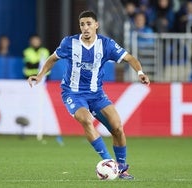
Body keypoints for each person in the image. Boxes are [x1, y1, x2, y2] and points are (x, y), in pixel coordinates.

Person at [28, 10, 150, 180]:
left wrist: (140, 73)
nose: (85, 28)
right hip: (73, 93)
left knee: (117, 128)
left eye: (89, 24)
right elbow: (52, 59)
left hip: (97, 94)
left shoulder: (106, 44)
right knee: (86, 119)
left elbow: (129, 58)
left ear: (96, 25)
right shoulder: (69, 43)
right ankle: (108, 162)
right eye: (82, 24)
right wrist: (40, 75)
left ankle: (121, 168)